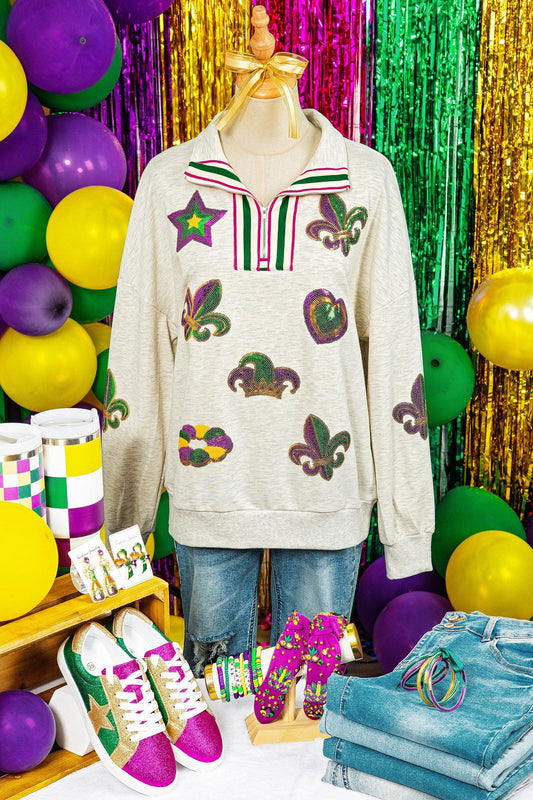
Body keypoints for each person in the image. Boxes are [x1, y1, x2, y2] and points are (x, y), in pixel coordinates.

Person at [102, 34, 434, 677]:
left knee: (309, 701)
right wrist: (124, 523)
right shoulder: (169, 181)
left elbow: (396, 350)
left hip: (327, 495)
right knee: (212, 701)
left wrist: (406, 524)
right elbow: (139, 350)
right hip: (208, 489)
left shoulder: (366, 179)